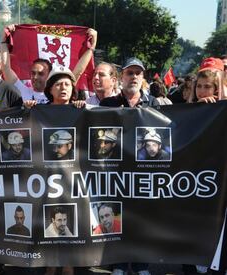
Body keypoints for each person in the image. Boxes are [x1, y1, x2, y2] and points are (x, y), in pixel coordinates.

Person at [100, 57, 155, 275]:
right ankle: (119, 263)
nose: (133, 77)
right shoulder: (107, 104)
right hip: (116, 172)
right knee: (118, 217)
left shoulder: (155, 104)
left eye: (137, 73)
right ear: (121, 77)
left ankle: (141, 264)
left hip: (143, 173)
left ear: (143, 78)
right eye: (129, 73)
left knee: (141, 218)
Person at [0, 25, 97, 104]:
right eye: (33, 73)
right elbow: (6, 68)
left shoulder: (58, 92)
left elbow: (79, 71)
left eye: (41, 74)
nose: (35, 77)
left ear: (49, 76)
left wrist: (91, 47)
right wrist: (4, 41)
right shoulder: (23, 92)